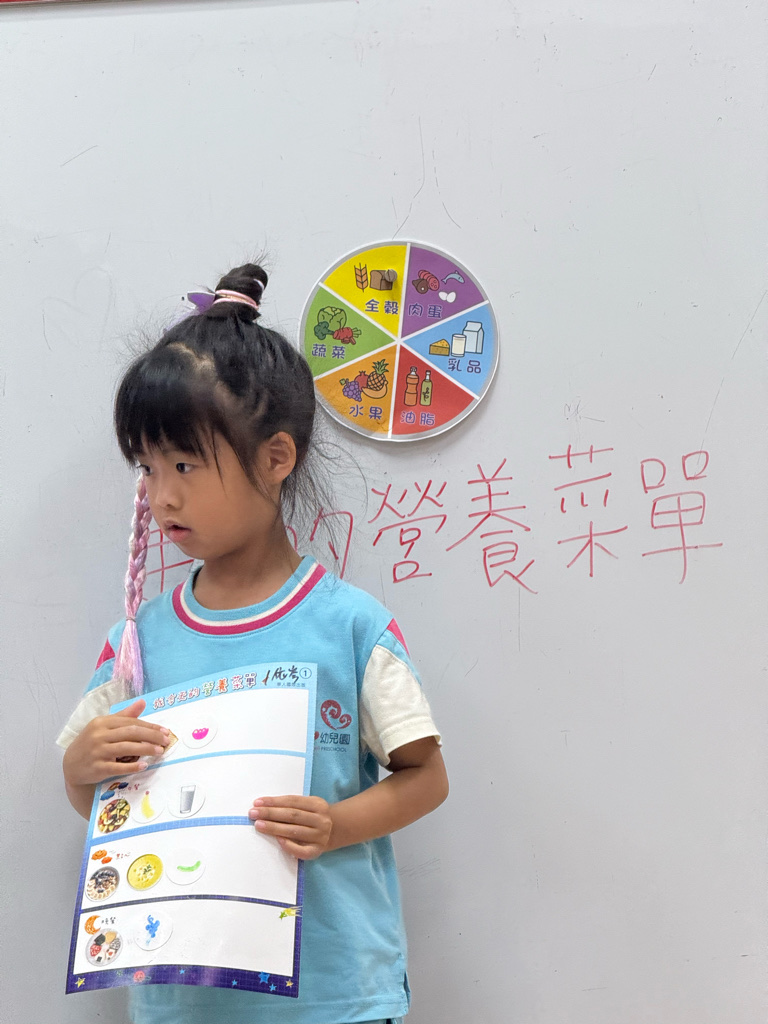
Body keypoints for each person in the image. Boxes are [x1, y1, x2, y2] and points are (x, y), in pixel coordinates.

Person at [58, 264, 448, 1024]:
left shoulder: (350, 626)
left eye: (184, 464)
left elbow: (426, 779)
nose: (162, 495)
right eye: (147, 467)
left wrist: (336, 825)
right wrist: (78, 769)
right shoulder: (137, 642)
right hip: (183, 996)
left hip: (332, 1000)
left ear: (276, 458)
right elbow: (96, 799)